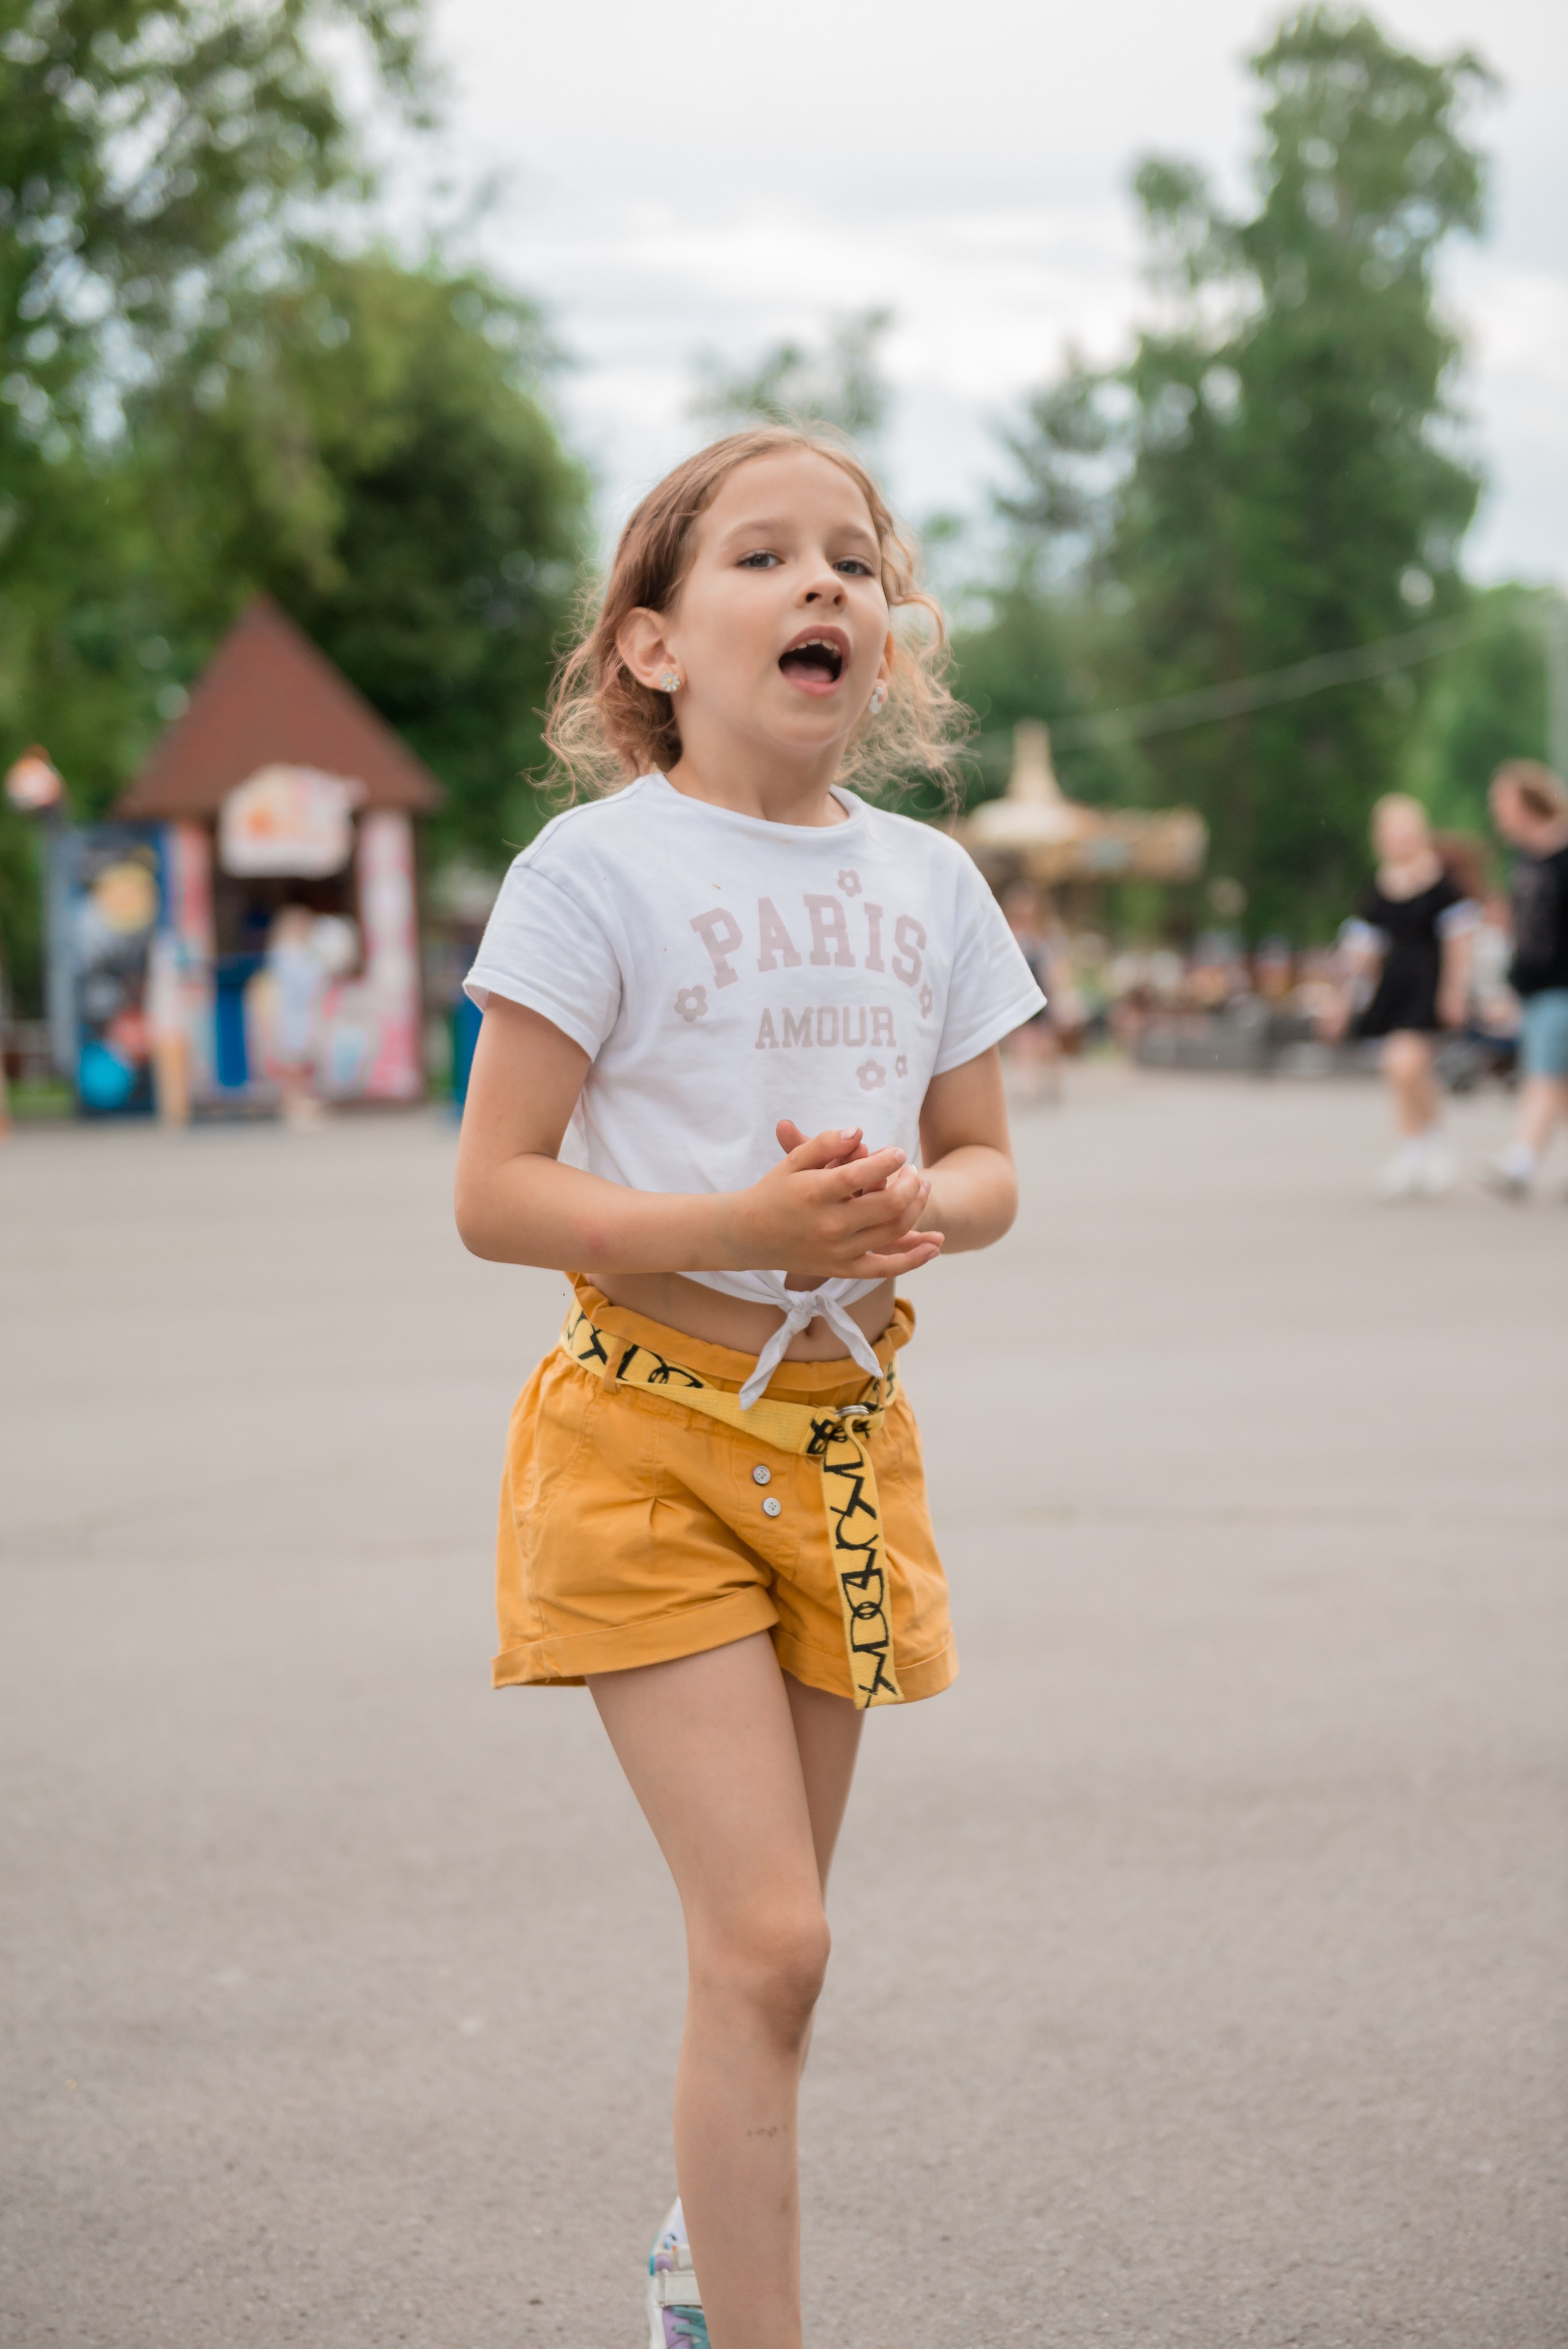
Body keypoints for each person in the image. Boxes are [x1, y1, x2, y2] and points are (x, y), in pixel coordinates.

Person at [453, 429, 1044, 2349]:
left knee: (770, 1966)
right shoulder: (594, 870)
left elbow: (988, 1160)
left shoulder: (929, 881)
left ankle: (698, 2260)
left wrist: (915, 1209)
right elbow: (495, 1191)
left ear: (885, 634)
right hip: (643, 1449)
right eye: (764, 557)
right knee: (772, 1935)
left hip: (843, 1450)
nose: (822, 586)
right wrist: (744, 1225)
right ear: (651, 645)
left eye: (853, 561)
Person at [1330, 793, 1476, 1199]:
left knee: (1403, 1063)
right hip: (1394, 989)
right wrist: (1342, 1000)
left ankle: (1420, 1147)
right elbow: (1363, 952)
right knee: (1405, 1071)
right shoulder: (1378, 889)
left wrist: (1455, 991)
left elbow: (1460, 942)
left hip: (1429, 988)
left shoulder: (1443, 886)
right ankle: (1425, 1146)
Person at [1482, 759, 1568, 1197]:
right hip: (1536, 984)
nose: (1498, 814)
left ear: (1526, 803)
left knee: (1545, 1074)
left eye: (1503, 803)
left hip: (1562, 983)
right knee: (1557, 1079)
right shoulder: (1525, 859)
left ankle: (1522, 1160)